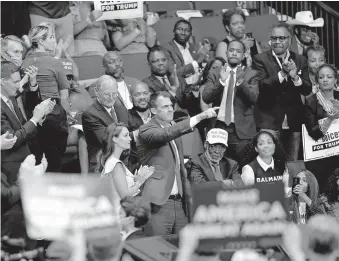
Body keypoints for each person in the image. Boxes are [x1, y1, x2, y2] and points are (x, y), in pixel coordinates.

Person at [136, 91, 219, 236]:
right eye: (165, 107)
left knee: (183, 251)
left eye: (171, 106)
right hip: (158, 204)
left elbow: (180, 166)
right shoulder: (146, 129)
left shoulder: (174, 129)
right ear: (153, 110)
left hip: (179, 202)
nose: (170, 109)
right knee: (158, 251)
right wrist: (201, 116)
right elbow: (166, 134)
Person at [253, 23, 312, 161]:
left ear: (289, 39)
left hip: (294, 120)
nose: (277, 42)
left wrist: (295, 77)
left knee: (292, 163)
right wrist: (282, 73)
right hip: (269, 120)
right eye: (274, 38)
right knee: (268, 162)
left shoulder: (300, 59)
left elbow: (307, 88)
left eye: (281, 38)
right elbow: (262, 87)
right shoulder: (260, 59)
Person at [22, 24, 71, 172]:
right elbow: (64, 96)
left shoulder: (24, 62)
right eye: (51, 37)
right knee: (55, 165)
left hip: (31, 119)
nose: (54, 41)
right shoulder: (55, 62)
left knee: (39, 164)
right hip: (54, 117)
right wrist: (67, 117)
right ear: (41, 42)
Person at [202, 40, 258, 162]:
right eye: (231, 50)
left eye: (238, 51)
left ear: (244, 55)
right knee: (221, 168)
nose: (234, 54)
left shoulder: (251, 74)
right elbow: (206, 97)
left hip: (243, 131)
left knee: (243, 167)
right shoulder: (215, 72)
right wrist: (221, 82)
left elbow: (255, 98)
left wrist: (241, 82)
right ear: (226, 53)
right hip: (219, 128)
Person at [1, 61, 55, 183]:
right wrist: (34, 119)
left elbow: (22, 126)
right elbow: (12, 141)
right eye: (15, 82)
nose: (18, 85)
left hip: (27, 159)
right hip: (11, 168)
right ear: (2, 82)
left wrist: (40, 117)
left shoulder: (10, 98)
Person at [98, 123, 154, 216]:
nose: (130, 139)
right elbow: (125, 196)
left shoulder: (113, 162)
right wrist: (139, 182)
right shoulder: (115, 164)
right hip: (118, 217)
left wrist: (136, 179)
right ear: (114, 139)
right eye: (126, 135)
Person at [304, 64, 339, 191]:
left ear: (335, 79)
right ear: (317, 80)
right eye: (321, 77)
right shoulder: (311, 101)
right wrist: (330, 119)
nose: (325, 80)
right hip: (321, 155)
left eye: (329, 77)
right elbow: (313, 133)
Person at [82, 75, 127, 173]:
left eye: (114, 93)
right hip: (101, 166)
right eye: (107, 94)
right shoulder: (90, 114)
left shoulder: (121, 108)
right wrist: (134, 135)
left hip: (124, 162)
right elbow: (107, 140)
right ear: (97, 92)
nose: (111, 98)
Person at [143, 46, 199, 116]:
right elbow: (157, 107)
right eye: (155, 61)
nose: (161, 63)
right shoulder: (146, 84)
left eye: (163, 60)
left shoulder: (179, 79)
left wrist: (195, 89)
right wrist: (173, 92)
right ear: (149, 65)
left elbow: (191, 104)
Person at [62, 59, 93, 174]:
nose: (67, 81)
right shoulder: (49, 93)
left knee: (84, 132)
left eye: (69, 78)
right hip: (58, 134)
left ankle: (85, 177)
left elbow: (92, 114)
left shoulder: (80, 92)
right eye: (64, 77)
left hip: (75, 134)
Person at [163, 19, 210, 84]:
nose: (183, 33)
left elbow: (203, 67)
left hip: (199, 86)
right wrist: (197, 62)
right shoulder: (166, 49)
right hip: (181, 89)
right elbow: (174, 74)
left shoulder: (195, 48)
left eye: (187, 30)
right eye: (180, 29)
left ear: (190, 33)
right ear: (174, 31)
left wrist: (205, 58)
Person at [102, 51, 140, 123]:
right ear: (105, 67)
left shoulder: (135, 82)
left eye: (119, 60)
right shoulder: (100, 87)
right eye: (112, 62)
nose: (117, 64)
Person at [127, 82, 152, 172]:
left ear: (150, 95)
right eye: (137, 95)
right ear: (131, 99)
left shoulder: (158, 114)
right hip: (138, 169)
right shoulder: (126, 117)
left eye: (145, 93)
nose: (142, 97)